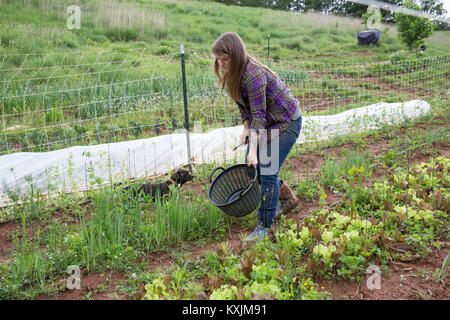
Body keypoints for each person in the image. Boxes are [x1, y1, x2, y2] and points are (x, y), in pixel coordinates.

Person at [211, 32, 302, 245]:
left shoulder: (253, 74)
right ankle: (288, 199)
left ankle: (263, 229)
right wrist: (245, 129)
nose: (220, 64)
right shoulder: (233, 74)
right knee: (257, 171)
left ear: (236, 56)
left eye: (225, 59)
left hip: (286, 121)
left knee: (267, 170)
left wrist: (253, 151)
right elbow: (244, 108)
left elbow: (259, 116)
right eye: (218, 59)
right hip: (267, 124)